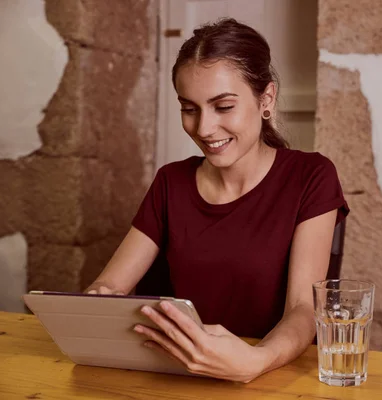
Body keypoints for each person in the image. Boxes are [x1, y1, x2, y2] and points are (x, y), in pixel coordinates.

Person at [85, 18, 349, 383]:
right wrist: (98, 301)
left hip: (271, 377)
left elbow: (304, 309)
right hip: (176, 377)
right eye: (189, 108)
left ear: (266, 98)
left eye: (223, 106)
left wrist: (255, 361)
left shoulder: (311, 177)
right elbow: (111, 287)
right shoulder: (170, 182)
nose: (204, 128)